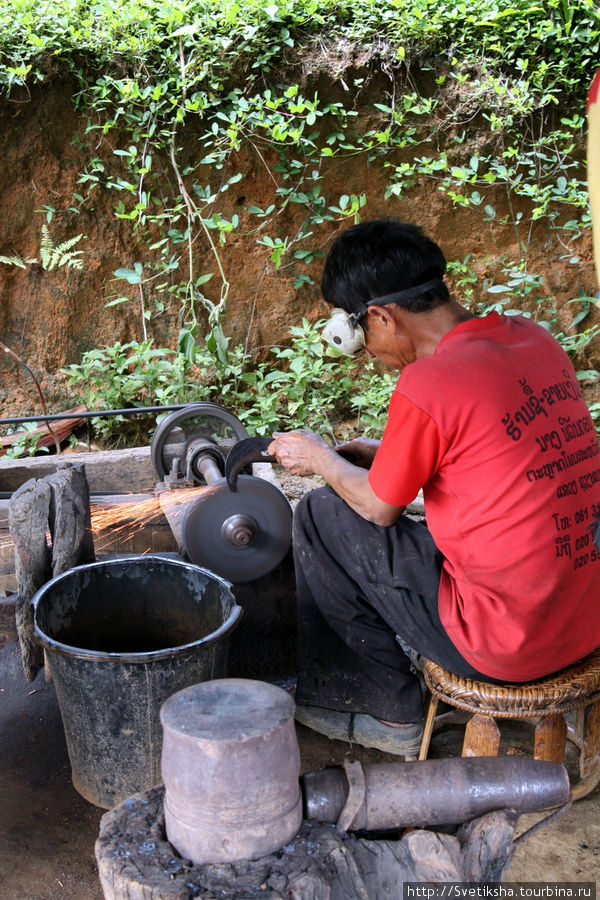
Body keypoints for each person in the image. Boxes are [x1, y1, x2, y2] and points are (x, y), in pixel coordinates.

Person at [267, 218, 600, 757]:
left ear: (379, 316)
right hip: (584, 616)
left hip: (510, 643)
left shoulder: (430, 382)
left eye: (365, 338)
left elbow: (378, 507)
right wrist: (386, 453)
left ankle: (383, 708)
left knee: (322, 515)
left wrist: (322, 460)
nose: (370, 355)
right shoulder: (533, 340)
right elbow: (501, 456)